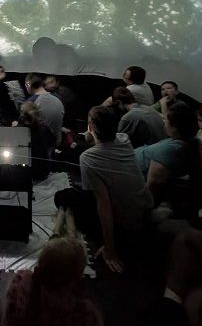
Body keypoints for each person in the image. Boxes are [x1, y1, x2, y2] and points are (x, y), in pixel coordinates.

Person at [55, 106, 153, 273]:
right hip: (144, 210)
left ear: (90, 127)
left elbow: (103, 203)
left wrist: (110, 248)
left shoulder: (88, 158)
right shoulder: (124, 139)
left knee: (62, 197)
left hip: (124, 224)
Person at [135, 103, 200, 201]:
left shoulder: (168, 152)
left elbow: (153, 185)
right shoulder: (189, 141)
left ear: (175, 127)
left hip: (128, 171)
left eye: (166, 121)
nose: (164, 123)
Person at [16, 102, 54, 181]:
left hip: (24, 173)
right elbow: (51, 145)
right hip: (43, 171)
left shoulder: (17, 132)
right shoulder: (45, 129)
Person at [24, 72, 64, 145]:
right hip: (55, 143)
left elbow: (25, 128)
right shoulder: (58, 99)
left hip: (39, 145)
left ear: (28, 85)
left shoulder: (30, 102)